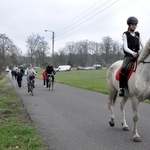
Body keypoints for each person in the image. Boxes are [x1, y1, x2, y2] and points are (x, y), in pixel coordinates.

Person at [119, 16, 144, 96]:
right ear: (129, 25)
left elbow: (142, 45)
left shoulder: (138, 34)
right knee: (123, 68)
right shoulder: (125, 34)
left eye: (135, 24)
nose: (134, 25)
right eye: (133, 24)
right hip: (129, 56)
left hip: (137, 55)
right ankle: (121, 88)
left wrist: (139, 52)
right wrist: (133, 53)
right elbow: (125, 47)